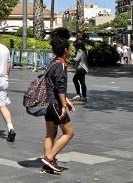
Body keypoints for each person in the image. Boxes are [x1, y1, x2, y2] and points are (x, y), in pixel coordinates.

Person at [41, 37, 76, 173]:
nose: (71, 51)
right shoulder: (61, 65)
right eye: (69, 48)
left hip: (48, 102)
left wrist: (67, 100)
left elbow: (53, 85)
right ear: (65, 50)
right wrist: (64, 105)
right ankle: (50, 158)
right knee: (69, 132)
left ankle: (48, 163)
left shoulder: (52, 63)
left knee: (50, 133)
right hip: (55, 104)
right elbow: (60, 88)